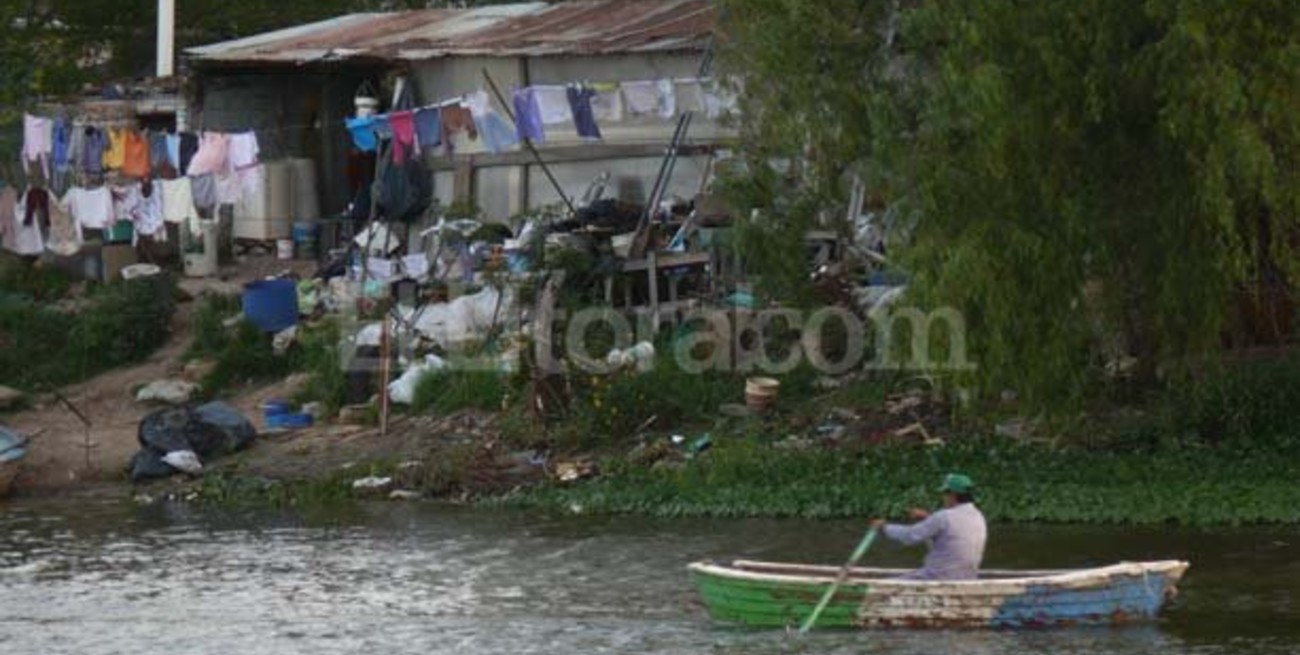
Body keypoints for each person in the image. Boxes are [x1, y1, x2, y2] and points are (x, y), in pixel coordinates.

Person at [870, 473, 987, 580]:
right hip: (967, 578)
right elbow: (949, 533)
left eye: (944, 494)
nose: (943, 497)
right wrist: (928, 517)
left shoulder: (943, 517)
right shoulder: (978, 516)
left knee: (886, 583)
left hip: (936, 577)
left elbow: (910, 536)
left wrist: (884, 527)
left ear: (952, 494)